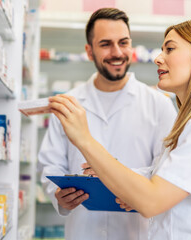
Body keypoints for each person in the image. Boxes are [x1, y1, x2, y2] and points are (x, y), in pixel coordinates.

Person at [48, 20, 191, 240]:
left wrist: (84, 139)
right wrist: (111, 175)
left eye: (169, 49)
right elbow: (160, 180)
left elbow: (151, 200)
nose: (158, 58)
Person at [38, 8, 177, 240]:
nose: (117, 52)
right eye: (105, 44)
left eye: (123, 42)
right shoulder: (67, 105)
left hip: (136, 232)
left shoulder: (158, 105)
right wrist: (58, 195)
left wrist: (118, 175)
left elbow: (166, 172)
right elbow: (50, 167)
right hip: (83, 232)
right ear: (89, 51)